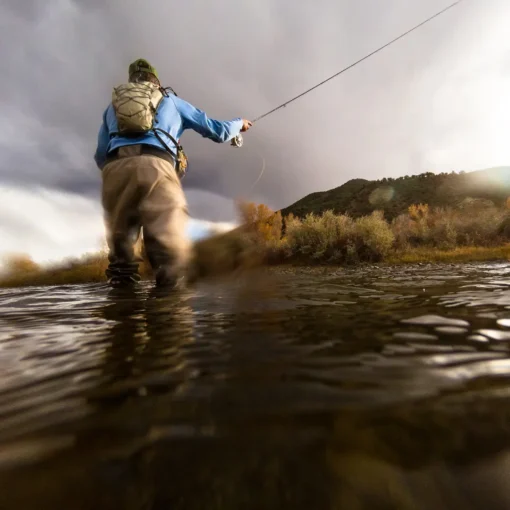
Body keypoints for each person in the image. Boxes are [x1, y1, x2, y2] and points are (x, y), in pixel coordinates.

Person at [94, 59, 252, 289]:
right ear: (156, 82)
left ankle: (123, 319)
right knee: (170, 259)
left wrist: (122, 177)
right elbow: (218, 131)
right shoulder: (172, 101)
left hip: (114, 170)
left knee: (121, 264)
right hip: (157, 167)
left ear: (131, 83)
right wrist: (240, 124)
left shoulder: (112, 108)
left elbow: (100, 155)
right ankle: (169, 320)